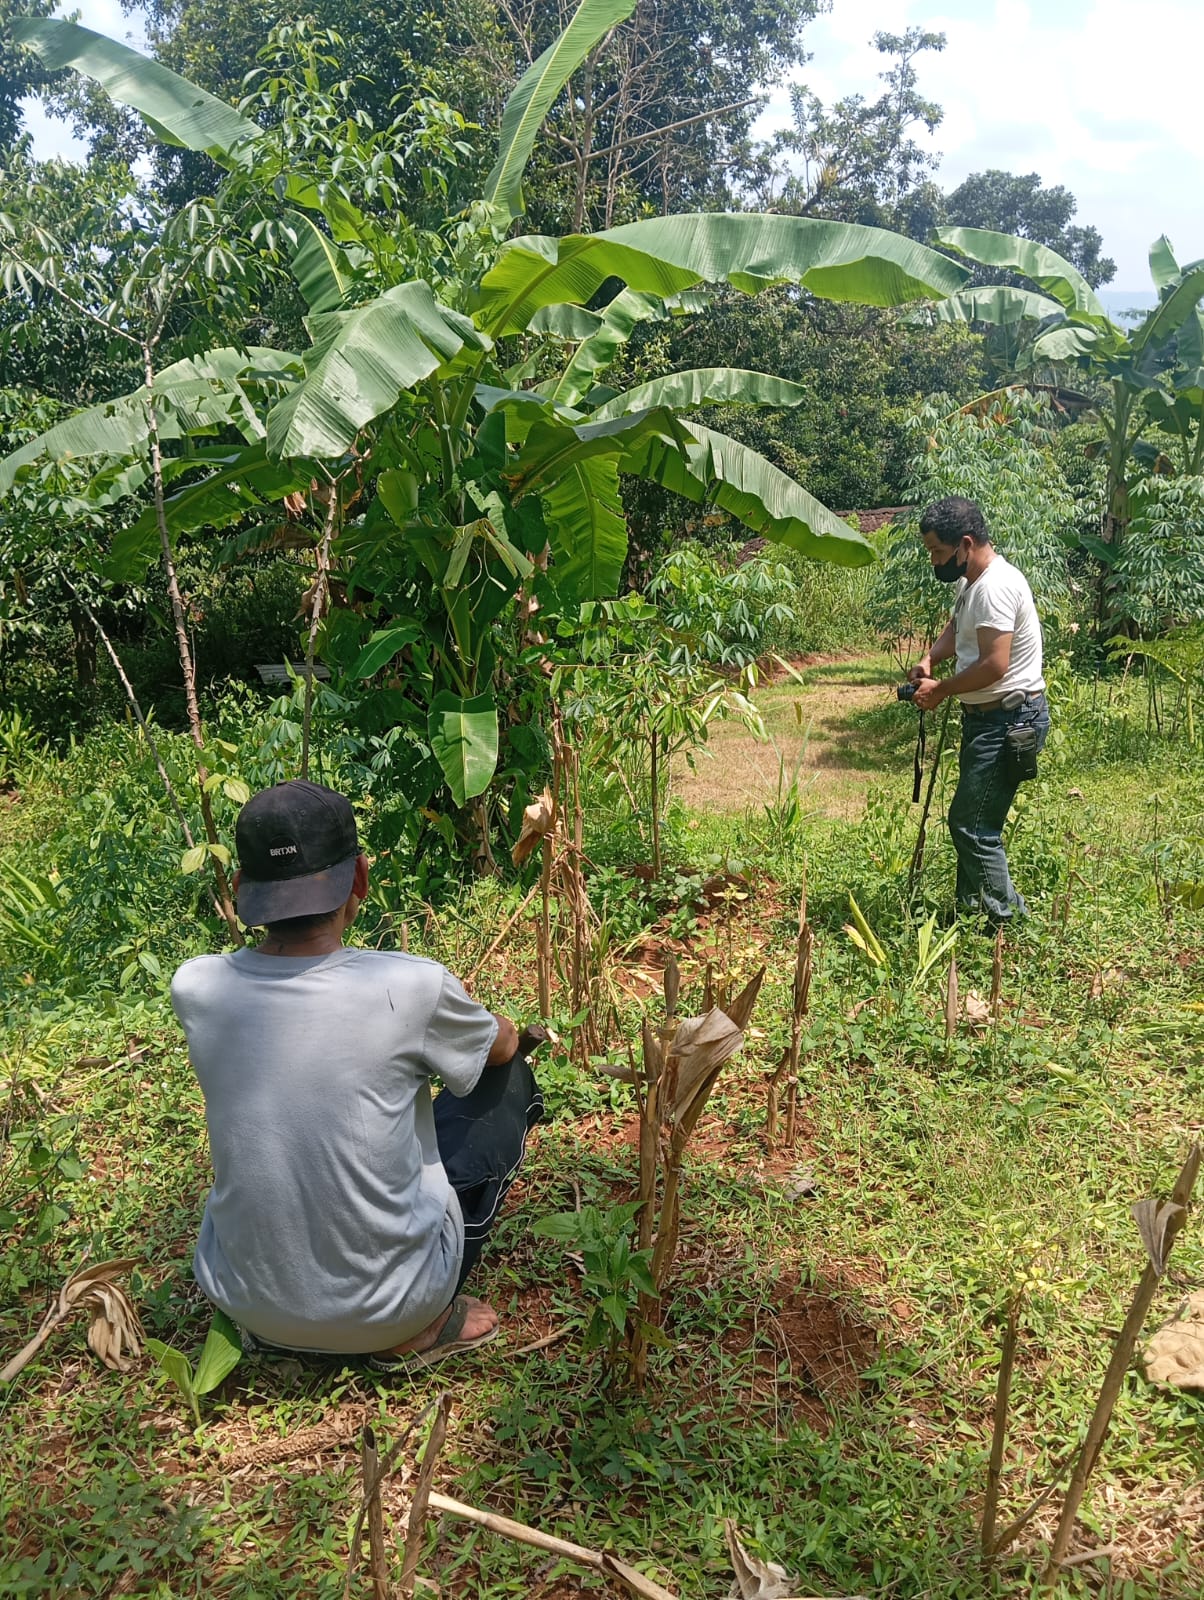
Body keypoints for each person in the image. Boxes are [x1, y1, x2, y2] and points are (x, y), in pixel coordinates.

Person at [170, 779, 543, 1366]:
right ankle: (419, 1327)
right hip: (393, 1308)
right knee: (507, 1079)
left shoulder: (196, 987)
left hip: (246, 1303)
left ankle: (297, 1318)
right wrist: (506, 1031)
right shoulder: (411, 985)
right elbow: (497, 1048)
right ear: (360, 881)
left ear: (242, 891)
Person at [908, 496, 1049, 927]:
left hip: (1009, 721)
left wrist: (943, 689)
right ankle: (970, 915)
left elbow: (995, 664)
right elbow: (957, 626)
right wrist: (931, 659)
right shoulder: (971, 581)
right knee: (973, 820)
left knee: (971, 825)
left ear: (965, 544)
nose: (934, 559)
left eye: (937, 551)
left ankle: (1011, 923)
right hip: (987, 719)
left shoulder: (995, 588)